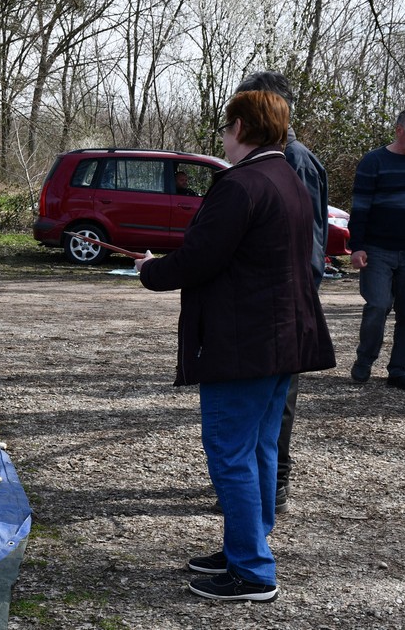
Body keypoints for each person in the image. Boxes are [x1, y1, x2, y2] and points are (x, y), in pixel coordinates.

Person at [136, 91, 334, 602]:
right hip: (279, 339)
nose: (223, 136)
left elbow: (201, 258)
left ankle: (252, 570)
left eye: (226, 127)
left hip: (245, 342)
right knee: (259, 448)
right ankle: (246, 546)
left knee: (230, 453)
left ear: (241, 128)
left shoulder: (242, 183)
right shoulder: (287, 177)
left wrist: (151, 270)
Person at [234, 70, 330, 513]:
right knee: (259, 400)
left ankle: (274, 486)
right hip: (267, 302)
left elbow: (307, 239)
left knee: (278, 402)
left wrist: (294, 299)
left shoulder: (294, 159)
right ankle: (256, 483)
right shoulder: (265, 155)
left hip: (285, 305)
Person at [348, 106, 405, 391]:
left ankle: (400, 371)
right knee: (377, 306)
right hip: (377, 248)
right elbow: (360, 208)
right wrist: (357, 247)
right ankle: (365, 359)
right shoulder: (374, 161)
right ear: (399, 130)